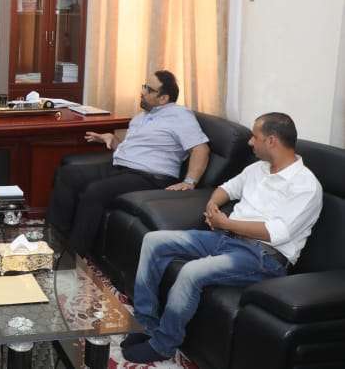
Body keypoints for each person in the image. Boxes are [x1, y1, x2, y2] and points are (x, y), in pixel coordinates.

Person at [122, 112, 322, 363]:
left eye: (255, 137)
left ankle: (164, 344)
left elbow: (276, 233)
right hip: (227, 238)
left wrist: (226, 223)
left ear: (271, 140)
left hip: (264, 257)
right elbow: (226, 189)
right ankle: (146, 323)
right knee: (154, 241)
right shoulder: (258, 168)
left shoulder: (305, 185)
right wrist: (212, 206)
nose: (250, 142)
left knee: (191, 272)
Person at [46, 70, 211, 257]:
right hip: (121, 167)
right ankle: (53, 241)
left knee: (95, 191)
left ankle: (72, 257)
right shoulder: (143, 116)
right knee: (68, 174)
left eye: (149, 89)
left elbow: (201, 149)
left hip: (151, 177)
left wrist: (189, 182)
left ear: (164, 98)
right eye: (144, 86)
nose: (142, 92)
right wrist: (112, 140)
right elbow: (135, 150)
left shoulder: (180, 115)